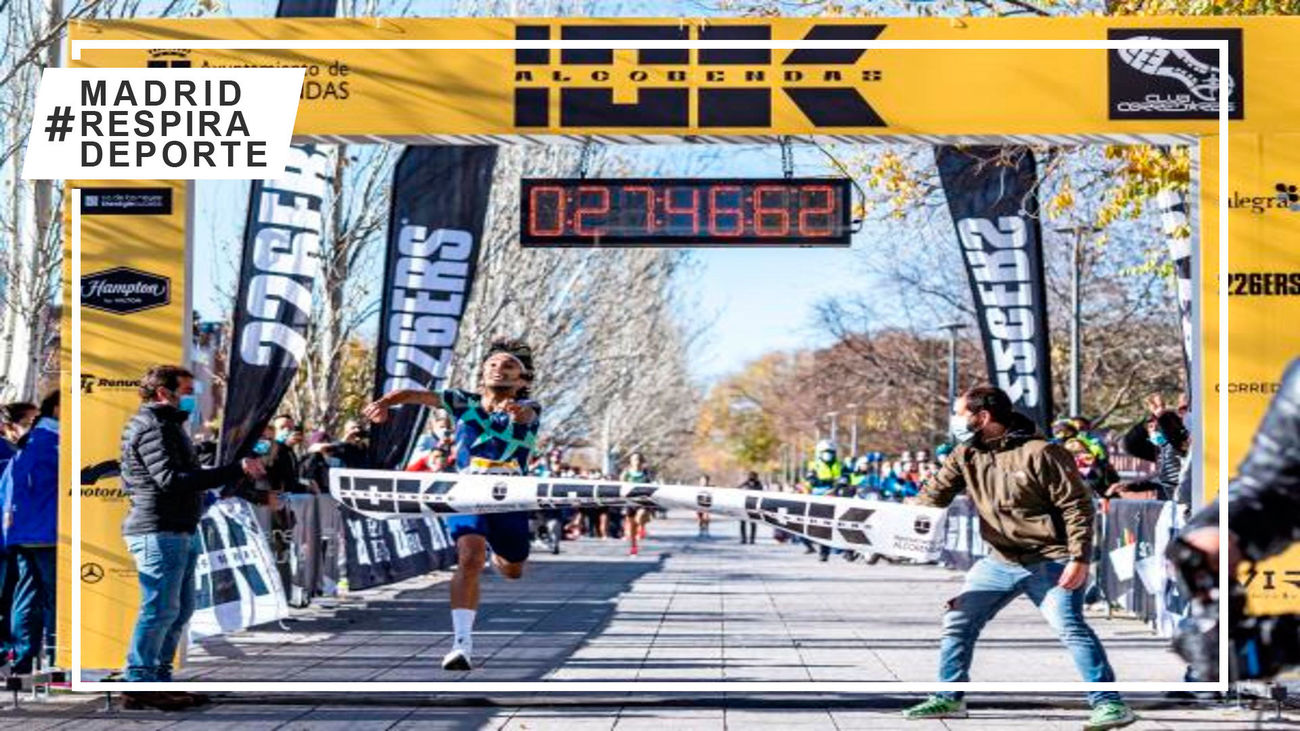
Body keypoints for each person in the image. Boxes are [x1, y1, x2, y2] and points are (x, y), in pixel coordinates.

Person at [902, 386, 1136, 730]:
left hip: (1051, 558)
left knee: (1069, 626)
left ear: (982, 417)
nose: (955, 421)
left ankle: (1110, 704)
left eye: (960, 413)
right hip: (999, 560)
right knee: (958, 620)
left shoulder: (1042, 453)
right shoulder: (964, 453)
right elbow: (933, 495)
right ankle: (949, 698)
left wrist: (1079, 558)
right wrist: (891, 518)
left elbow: (1077, 507)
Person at [363, 338, 540, 672]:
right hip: (466, 492)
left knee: (513, 569)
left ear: (523, 380)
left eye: (508, 367)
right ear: (482, 373)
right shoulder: (462, 401)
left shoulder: (531, 407)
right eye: (492, 364)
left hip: (510, 496)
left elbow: (526, 414)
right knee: (469, 558)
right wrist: (384, 403)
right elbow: (411, 395)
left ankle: (500, 553)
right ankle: (462, 645)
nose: (498, 369)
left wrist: (517, 412)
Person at [119, 365, 265, 709]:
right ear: (162, 393)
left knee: (180, 609)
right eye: (185, 391)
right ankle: (139, 680)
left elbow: (186, 475)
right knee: (159, 608)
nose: (191, 398)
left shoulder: (169, 426)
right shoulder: (154, 427)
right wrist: (233, 470)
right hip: (159, 528)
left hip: (178, 527)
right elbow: (171, 479)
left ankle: (157, 678)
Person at [1, 392, 58, 678]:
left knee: (27, 595)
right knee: (53, 597)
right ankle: (57, 655)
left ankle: (23, 660)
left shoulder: (26, 446)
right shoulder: (53, 442)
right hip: (47, 532)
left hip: (21, 533)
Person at [0, 401, 35, 667]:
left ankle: (9, 651)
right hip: (10, 537)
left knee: (12, 596)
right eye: (29, 422)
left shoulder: (20, 451)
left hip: (14, 537)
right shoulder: (13, 453)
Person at [1115, 394, 1188, 501]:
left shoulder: (1185, 438)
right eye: (1181, 408)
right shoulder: (1164, 447)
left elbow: (1175, 439)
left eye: (1186, 408)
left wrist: (1160, 416)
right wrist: (1132, 487)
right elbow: (1128, 444)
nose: (1183, 412)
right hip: (1171, 498)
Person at [803, 439, 845, 561]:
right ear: (819, 453)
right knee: (823, 526)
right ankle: (823, 552)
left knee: (842, 524)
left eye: (831, 452)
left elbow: (848, 476)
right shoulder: (814, 466)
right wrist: (826, 482)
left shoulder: (840, 465)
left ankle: (847, 551)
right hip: (821, 498)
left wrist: (845, 480)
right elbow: (811, 481)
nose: (829, 454)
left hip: (837, 496)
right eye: (826, 452)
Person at [620, 453, 653, 556]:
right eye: (634, 459)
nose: (637, 462)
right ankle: (634, 546)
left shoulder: (646, 473)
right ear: (631, 461)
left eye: (638, 459)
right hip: (630, 502)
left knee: (640, 516)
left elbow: (650, 486)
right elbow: (620, 486)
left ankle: (642, 527)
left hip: (642, 501)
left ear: (642, 461)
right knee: (631, 528)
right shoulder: (626, 474)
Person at [737, 471, 763, 544]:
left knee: (753, 523)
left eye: (753, 477)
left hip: (753, 506)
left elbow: (761, 493)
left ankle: (752, 539)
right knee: (743, 523)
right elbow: (738, 489)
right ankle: (743, 538)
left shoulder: (759, 484)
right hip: (744, 505)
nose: (752, 478)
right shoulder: (745, 484)